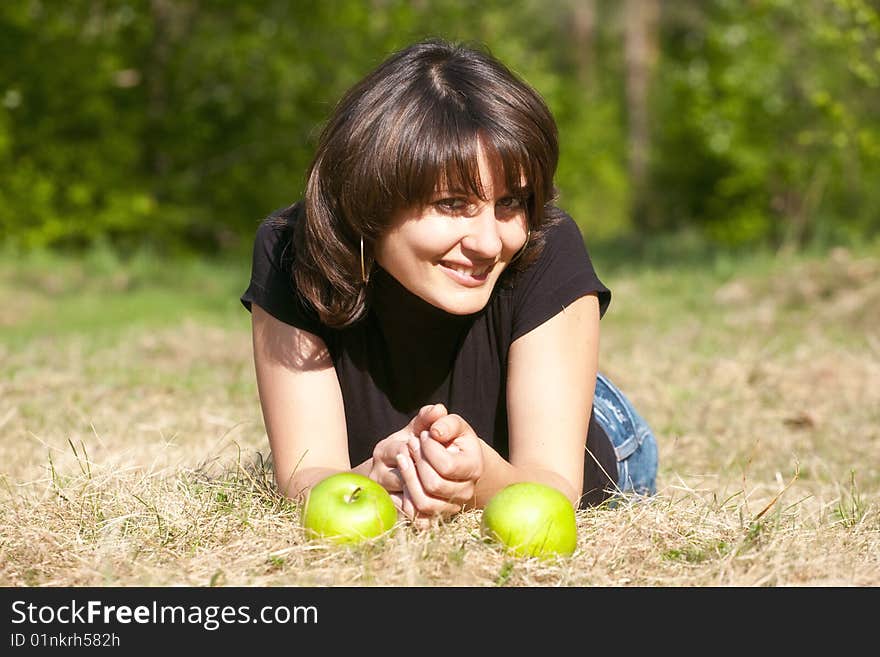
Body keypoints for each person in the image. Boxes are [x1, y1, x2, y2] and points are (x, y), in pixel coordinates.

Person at [241, 38, 657, 527]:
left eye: (510, 204)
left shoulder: (551, 244)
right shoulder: (290, 251)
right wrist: (377, 475)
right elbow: (306, 473)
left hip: (588, 428)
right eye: (452, 204)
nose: (488, 242)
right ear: (368, 196)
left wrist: (477, 477)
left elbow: (554, 485)